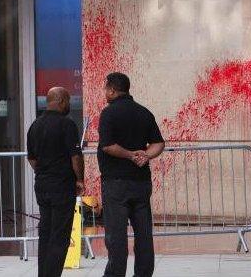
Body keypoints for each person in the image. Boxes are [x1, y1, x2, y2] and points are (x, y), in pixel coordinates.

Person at [97, 72, 165, 277]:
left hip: (116, 184)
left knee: (116, 236)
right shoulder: (144, 112)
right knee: (144, 234)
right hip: (141, 182)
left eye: (105, 89)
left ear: (112, 90)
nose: (104, 93)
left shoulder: (108, 114)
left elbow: (108, 146)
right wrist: (145, 156)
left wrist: (129, 155)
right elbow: (159, 143)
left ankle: (115, 274)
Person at [26, 86, 84, 277]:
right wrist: (80, 180)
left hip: (42, 185)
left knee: (46, 233)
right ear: (60, 100)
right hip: (61, 185)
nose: (68, 104)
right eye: (67, 100)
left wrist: (44, 172)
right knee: (60, 236)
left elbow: (32, 159)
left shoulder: (35, 125)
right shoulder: (67, 125)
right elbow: (75, 156)